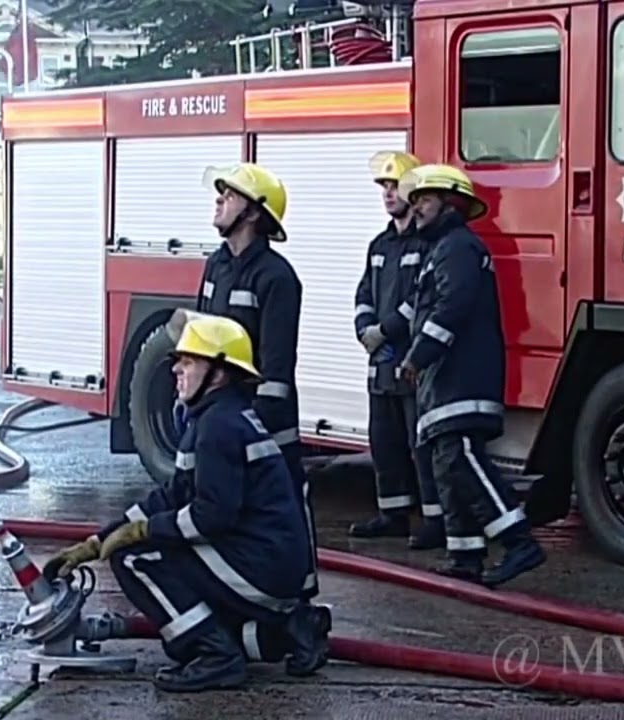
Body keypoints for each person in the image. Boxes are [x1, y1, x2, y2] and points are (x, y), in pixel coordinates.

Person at [42, 314, 331, 692]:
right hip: (266, 566)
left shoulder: (218, 428)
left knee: (136, 557)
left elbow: (211, 517)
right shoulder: (217, 418)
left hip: (260, 569)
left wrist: (142, 532)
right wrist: (98, 541)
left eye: (189, 361)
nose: (176, 368)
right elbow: (173, 495)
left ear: (219, 372)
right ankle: (289, 632)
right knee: (181, 624)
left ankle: (217, 658)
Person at [396, 164, 547, 588]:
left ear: (452, 203)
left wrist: (417, 357)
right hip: (444, 383)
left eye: (424, 199)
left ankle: (519, 541)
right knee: (447, 464)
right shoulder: (442, 249)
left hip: (461, 379)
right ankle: (465, 556)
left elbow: (452, 306)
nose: (416, 208)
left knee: (461, 459)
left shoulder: (458, 247)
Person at [193, 162, 319, 602]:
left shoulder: (278, 278)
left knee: (285, 507)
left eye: (229, 194)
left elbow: (277, 367)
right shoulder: (215, 266)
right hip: (218, 416)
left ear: (252, 212)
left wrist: (260, 426)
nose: (219, 198)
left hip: (267, 423)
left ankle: (301, 603)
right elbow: (200, 338)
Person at [348, 150, 445, 551]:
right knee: (383, 441)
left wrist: (383, 332)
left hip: (411, 362)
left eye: (395, 186)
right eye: (384, 187)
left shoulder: (425, 245)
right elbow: (364, 293)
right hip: (381, 363)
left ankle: (434, 520)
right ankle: (392, 514)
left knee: (419, 443)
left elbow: (419, 300)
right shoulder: (379, 245)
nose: (388, 194)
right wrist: (363, 329)